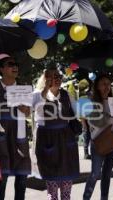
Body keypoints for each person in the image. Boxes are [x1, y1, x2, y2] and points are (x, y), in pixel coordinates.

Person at [0, 53, 31, 200]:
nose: (15, 67)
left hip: (20, 137)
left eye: (16, 64)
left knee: (22, 180)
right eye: (10, 64)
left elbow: (27, 113)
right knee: (2, 178)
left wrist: (24, 109)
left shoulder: (22, 87)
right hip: (2, 137)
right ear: (0, 69)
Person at [33, 66, 79, 200]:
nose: (58, 79)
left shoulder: (66, 94)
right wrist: (46, 88)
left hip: (66, 141)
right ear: (46, 78)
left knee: (66, 188)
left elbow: (77, 113)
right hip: (47, 140)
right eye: (54, 76)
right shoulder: (37, 94)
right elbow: (30, 110)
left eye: (59, 77)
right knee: (52, 188)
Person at [83, 74, 113, 200]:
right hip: (98, 144)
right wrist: (109, 115)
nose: (107, 86)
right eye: (103, 83)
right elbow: (95, 123)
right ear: (97, 86)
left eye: (108, 83)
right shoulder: (91, 102)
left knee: (107, 175)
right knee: (95, 173)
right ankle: (86, 197)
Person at [79, 79, 91, 159]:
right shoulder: (83, 99)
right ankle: (86, 153)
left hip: (91, 121)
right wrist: (84, 124)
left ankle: (87, 153)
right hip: (86, 121)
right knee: (86, 137)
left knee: (88, 137)